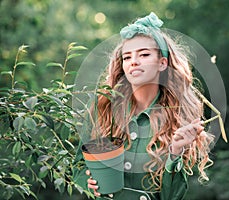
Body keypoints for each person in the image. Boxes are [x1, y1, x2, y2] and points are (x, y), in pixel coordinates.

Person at [73, 12, 216, 200]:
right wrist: (87, 182)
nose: (134, 61)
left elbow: (171, 197)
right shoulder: (104, 106)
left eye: (144, 54)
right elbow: (78, 168)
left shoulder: (177, 118)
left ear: (162, 63)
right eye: (127, 57)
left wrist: (175, 152)